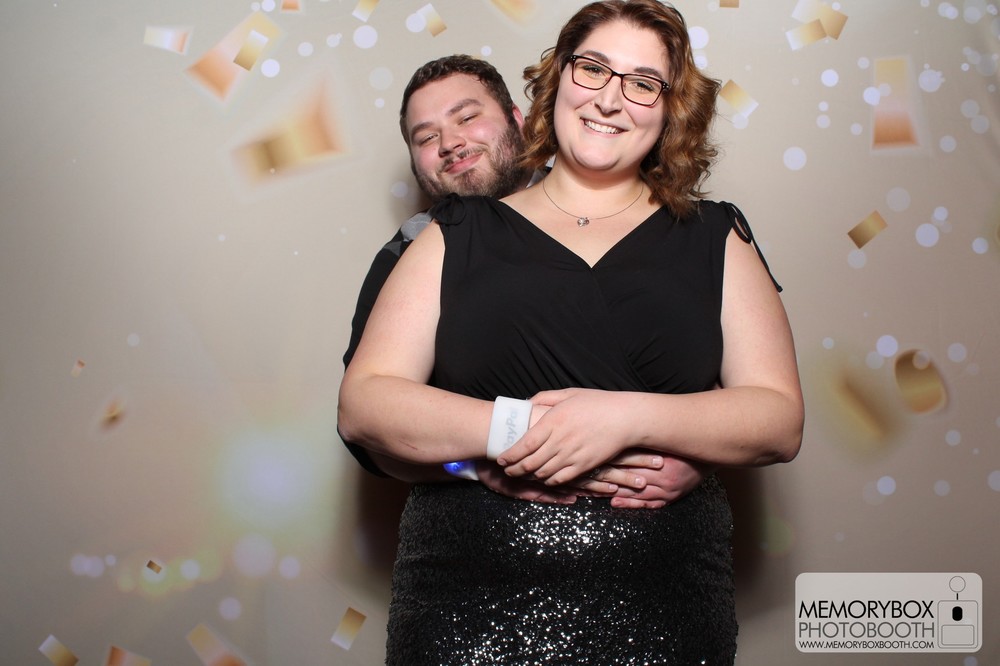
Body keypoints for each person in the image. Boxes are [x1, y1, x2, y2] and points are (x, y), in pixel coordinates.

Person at [339, 0, 804, 660]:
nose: (610, 99)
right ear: (558, 80)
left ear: (671, 109)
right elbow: (366, 404)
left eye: (643, 83)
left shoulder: (715, 236)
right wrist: (521, 432)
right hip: (464, 614)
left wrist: (626, 418)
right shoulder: (452, 234)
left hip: (668, 616)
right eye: (593, 69)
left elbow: (779, 418)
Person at [342, 54, 708, 509]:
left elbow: (708, 370)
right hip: (481, 534)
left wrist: (700, 457)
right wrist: (476, 466)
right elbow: (367, 431)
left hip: (664, 530)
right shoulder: (409, 250)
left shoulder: (625, 215)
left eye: (467, 118)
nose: (450, 143)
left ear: (517, 118)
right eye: (427, 137)